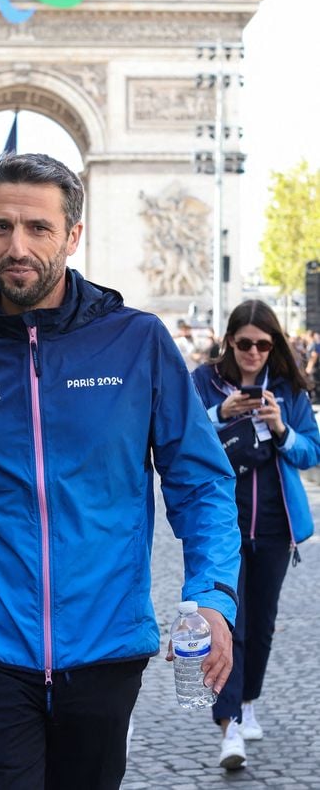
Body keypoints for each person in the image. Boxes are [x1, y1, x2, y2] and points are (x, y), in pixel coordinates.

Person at [0, 153, 241, 790]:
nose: (16, 247)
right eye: (1, 226)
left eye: (38, 228)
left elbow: (203, 483)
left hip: (105, 650)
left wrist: (213, 597)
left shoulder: (139, 343)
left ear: (73, 235)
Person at [192, 300, 320, 772]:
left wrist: (281, 429)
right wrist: (218, 414)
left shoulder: (288, 388)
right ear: (230, 341)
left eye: (263, 345)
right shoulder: (204, 382)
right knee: (230, 624)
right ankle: (228, 725)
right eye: (244, 343)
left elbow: (312, 452)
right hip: (220, 526)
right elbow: (178, 439)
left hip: (273, 525)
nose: (253, 352)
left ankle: (247, 703)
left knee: (261, 625)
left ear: (273, 345)